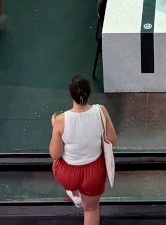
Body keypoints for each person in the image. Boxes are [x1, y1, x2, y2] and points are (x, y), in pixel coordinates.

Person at [49, 75, 117, 223]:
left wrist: (55, 127)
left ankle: (75, 193)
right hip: (94, 173)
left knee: (59, 165)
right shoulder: (101, 111)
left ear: (71, 95)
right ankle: (81, 196)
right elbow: (112, 140)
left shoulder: (61, 120)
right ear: (88, 93)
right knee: (91, 209)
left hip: (68, 173)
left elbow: (55, 154)